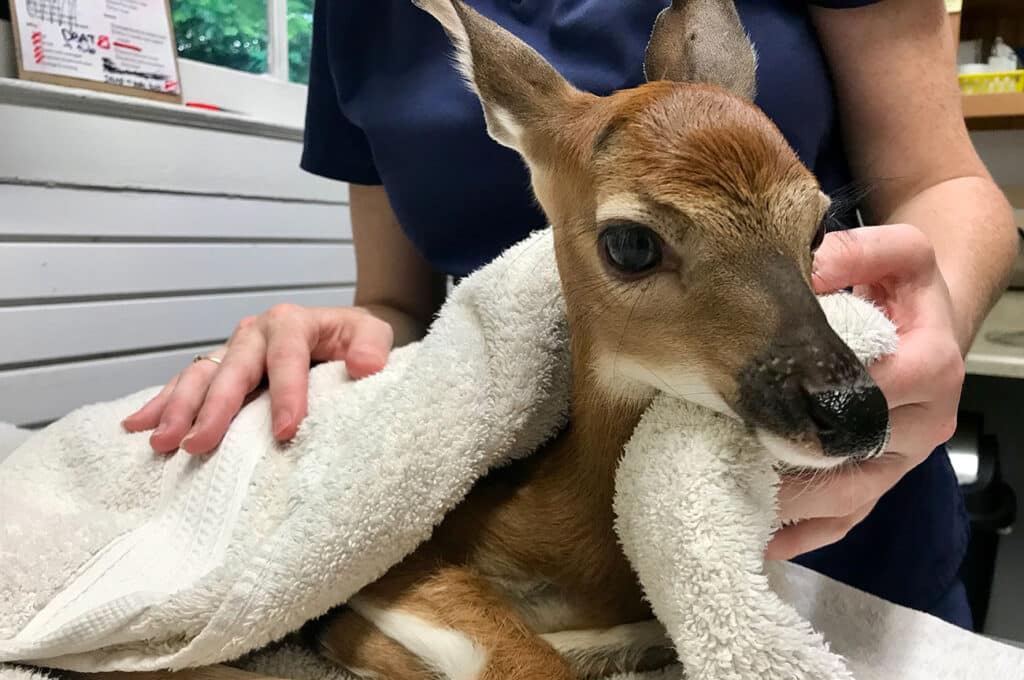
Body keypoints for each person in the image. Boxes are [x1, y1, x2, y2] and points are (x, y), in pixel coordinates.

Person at [125, 1, 1018, 629]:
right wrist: (348, 343)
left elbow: (941, 179)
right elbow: (397, 301)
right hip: (536, 527)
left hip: (838, 542)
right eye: (638, 244)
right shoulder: (365, 14)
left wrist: (930, 320)